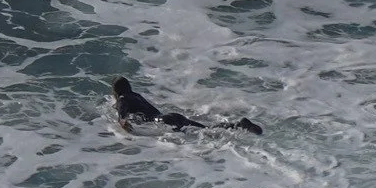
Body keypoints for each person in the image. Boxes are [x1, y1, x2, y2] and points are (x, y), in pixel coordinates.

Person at [111, 76, 263, 135]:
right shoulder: (136, 95)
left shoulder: (123, 98)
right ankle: (239, 125)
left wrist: (122, 121)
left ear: (116, 92)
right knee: (208, 129)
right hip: (170, 117)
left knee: (208, 135)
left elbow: (122, 112)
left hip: (163, 122)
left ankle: (239, 127)